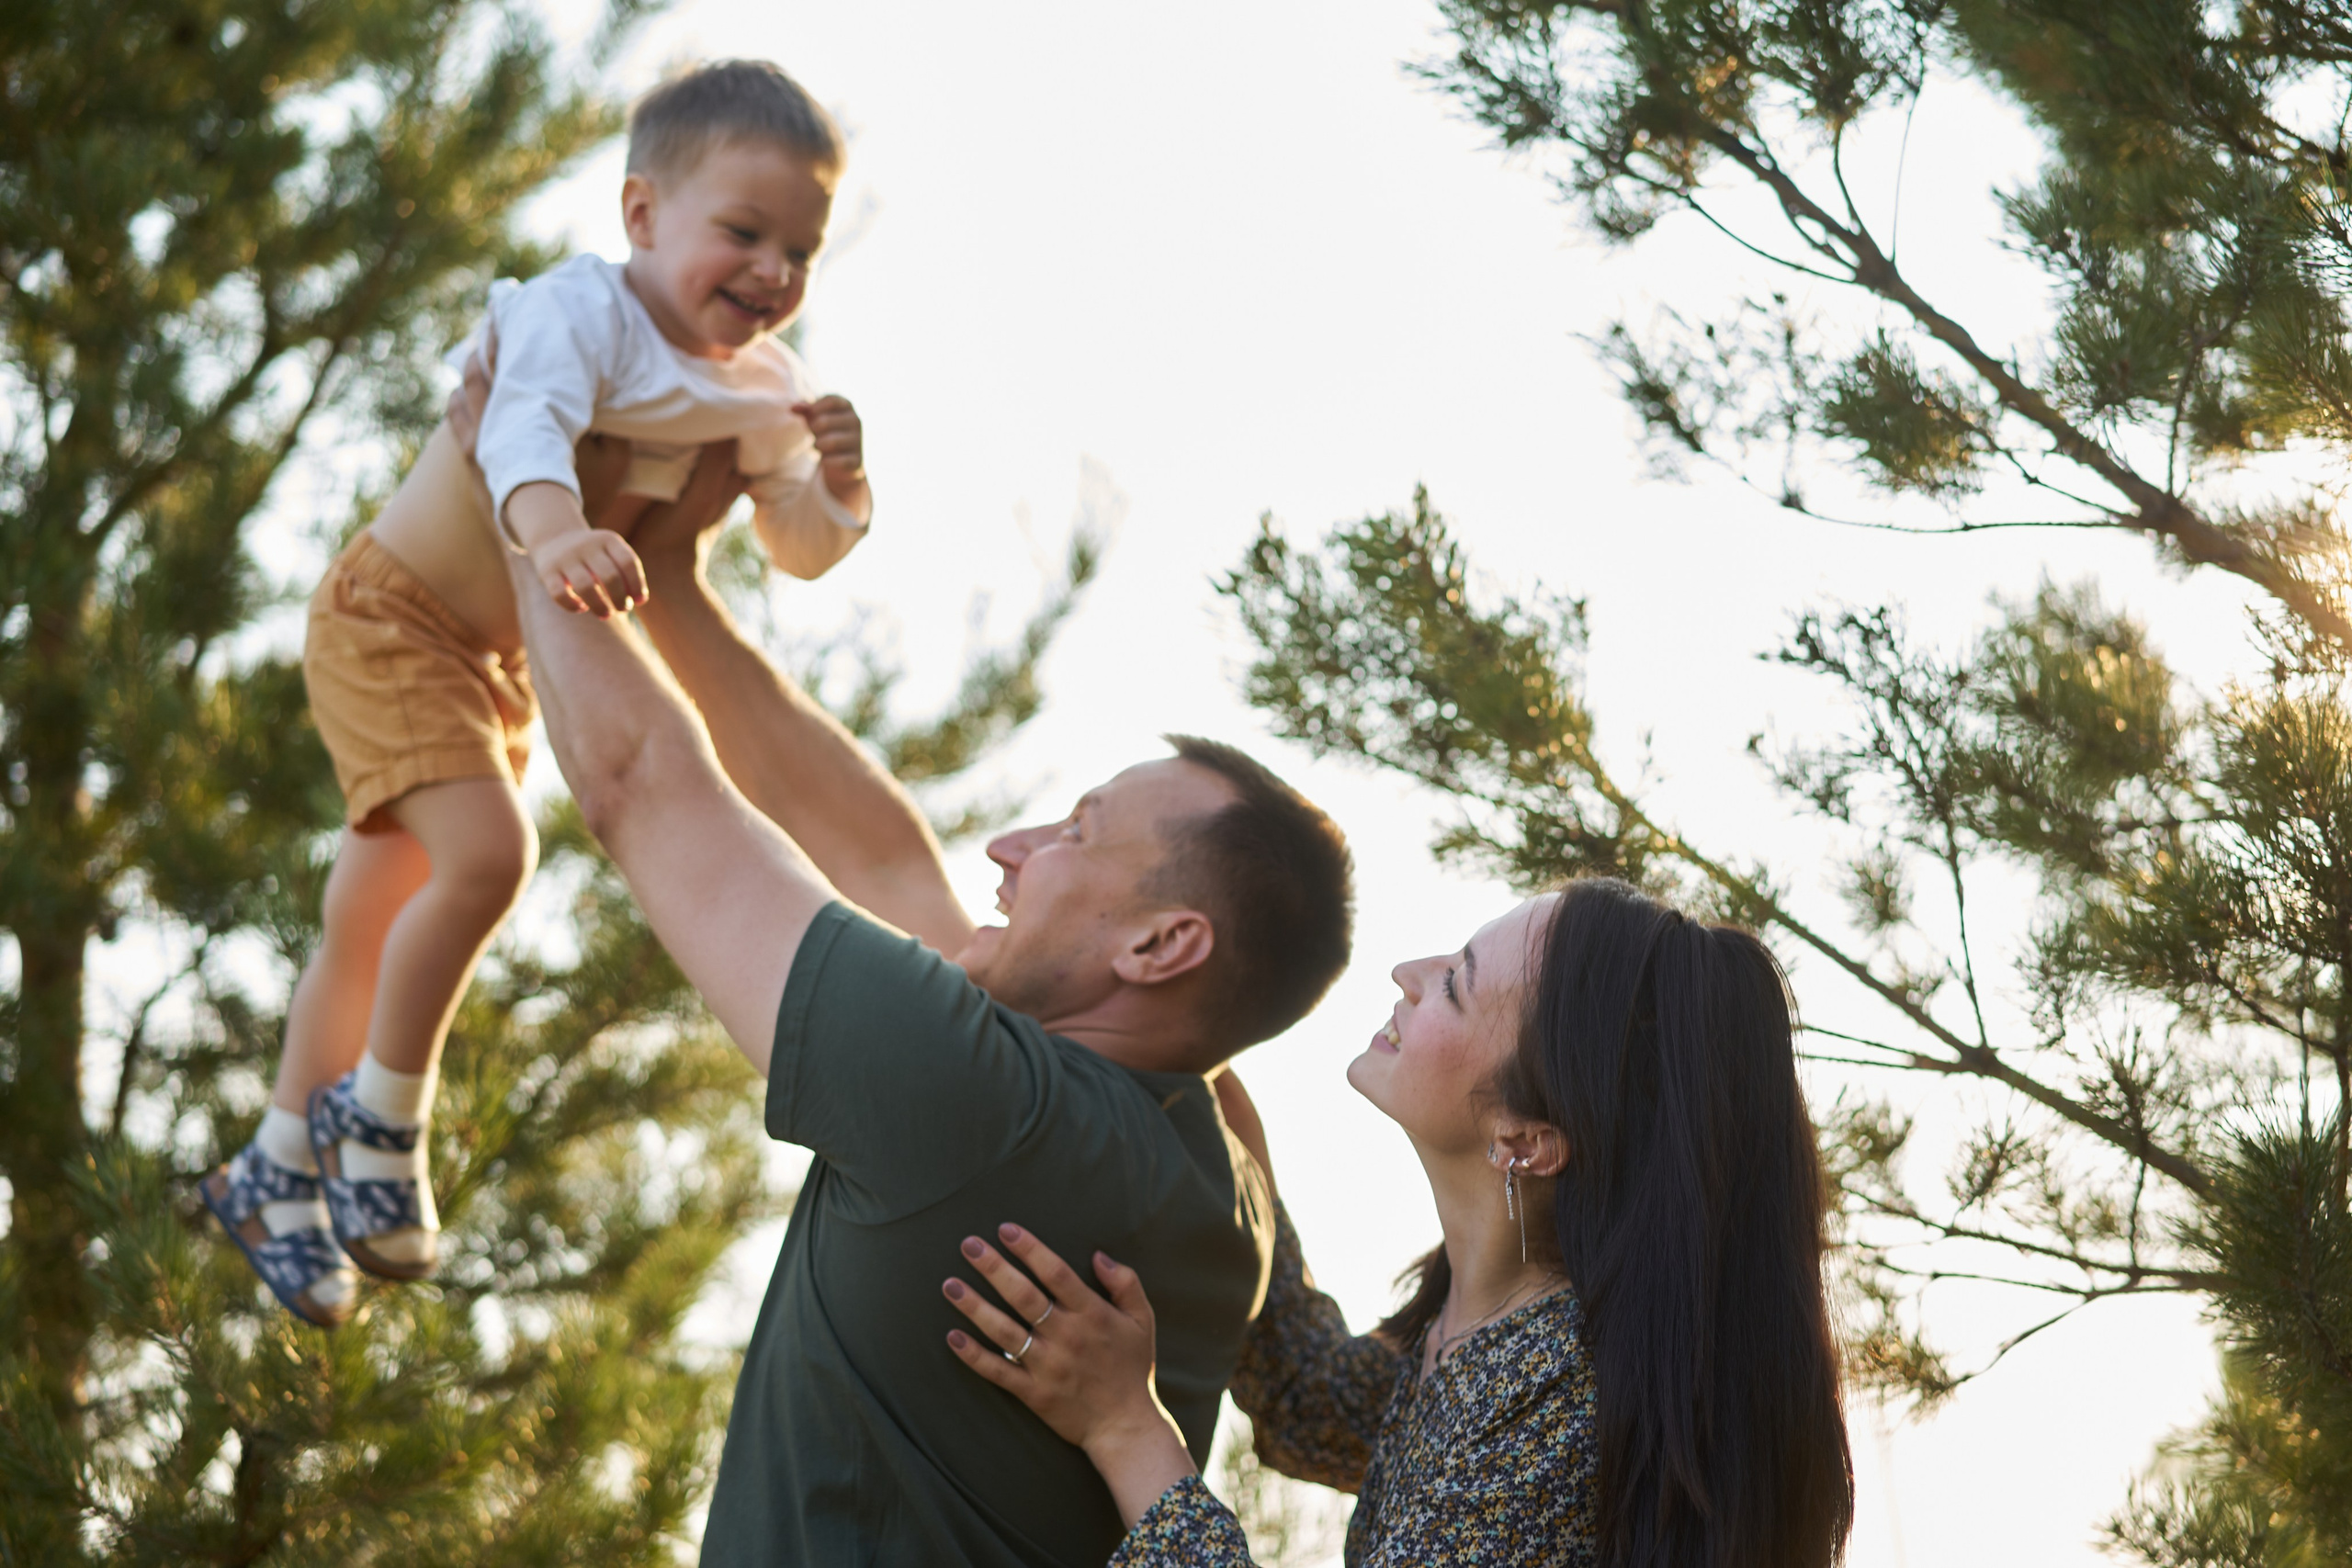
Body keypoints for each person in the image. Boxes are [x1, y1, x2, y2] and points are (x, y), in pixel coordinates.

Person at [450, 404, 1355, 1560]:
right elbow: (879, 856)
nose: (1010, 847)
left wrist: (523, 487)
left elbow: (640, 784)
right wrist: (667, 584)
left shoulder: (983, 1103)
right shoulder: (1216, 1174)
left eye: (1076, 832)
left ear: (1157, 949)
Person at [203, 59, 876, 1326]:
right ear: (641, 215)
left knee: (377, 907)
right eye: (743, 231)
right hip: (394, 617)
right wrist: (560, 529)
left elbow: (797, 541)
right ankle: (383, 1111)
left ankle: (275, 1165)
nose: (773, 269)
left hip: (497, 661)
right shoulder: (578, 312)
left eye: (801, 247)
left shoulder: (761, 385)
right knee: (488, 855)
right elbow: (521, 428)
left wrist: (835, 487)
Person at [937, 878, 1857, 1567]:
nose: (1406, 976)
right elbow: (1309, 1404)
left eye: (1454, 985)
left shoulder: (1562, 1397)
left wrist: (1124, 1429)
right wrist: (1218, 1120)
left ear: (1526, 1139)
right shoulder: (1485, 1333)